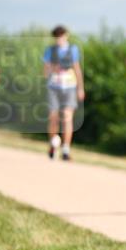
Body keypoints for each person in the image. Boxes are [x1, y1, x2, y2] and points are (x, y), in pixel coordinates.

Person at [42, 25, 84, 160]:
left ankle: (66, 148)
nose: (59, 39)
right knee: (53, 117)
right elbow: (45, 72)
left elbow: (77, 69)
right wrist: (52, 69)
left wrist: (80, 88)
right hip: (54, 87)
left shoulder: (73, 50)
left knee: (67, 116)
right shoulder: (50, 50)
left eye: (61, 36)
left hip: (69, 87)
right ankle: (53, 144)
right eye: (57, 37)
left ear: (66, 36)